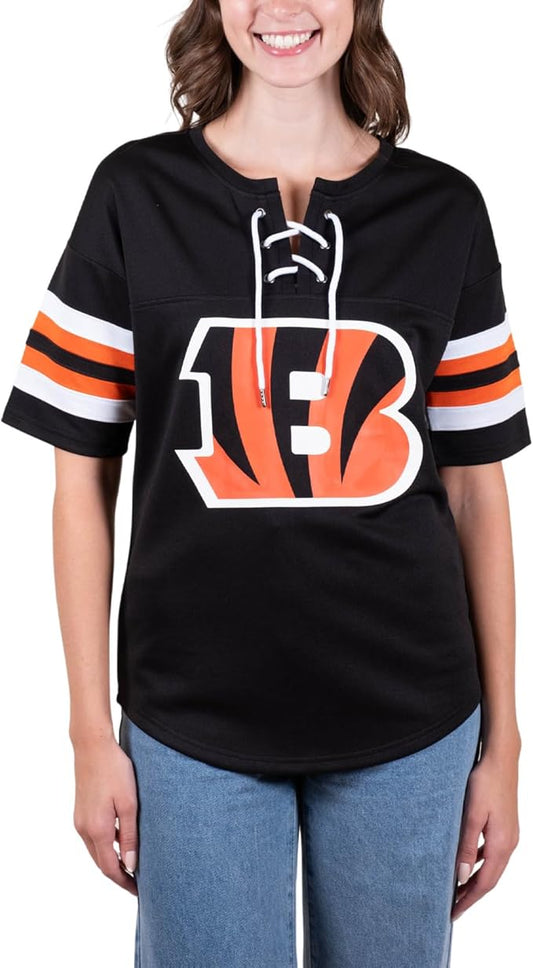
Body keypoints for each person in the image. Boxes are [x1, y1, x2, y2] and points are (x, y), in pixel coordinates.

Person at [1, 1, 529, 965]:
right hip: (188, 720)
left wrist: (506, 747)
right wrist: (87, 733)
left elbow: (474, 489)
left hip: (411, 720)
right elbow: (80, 475)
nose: (282, 8)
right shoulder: (133, 193)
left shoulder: (445, 209)